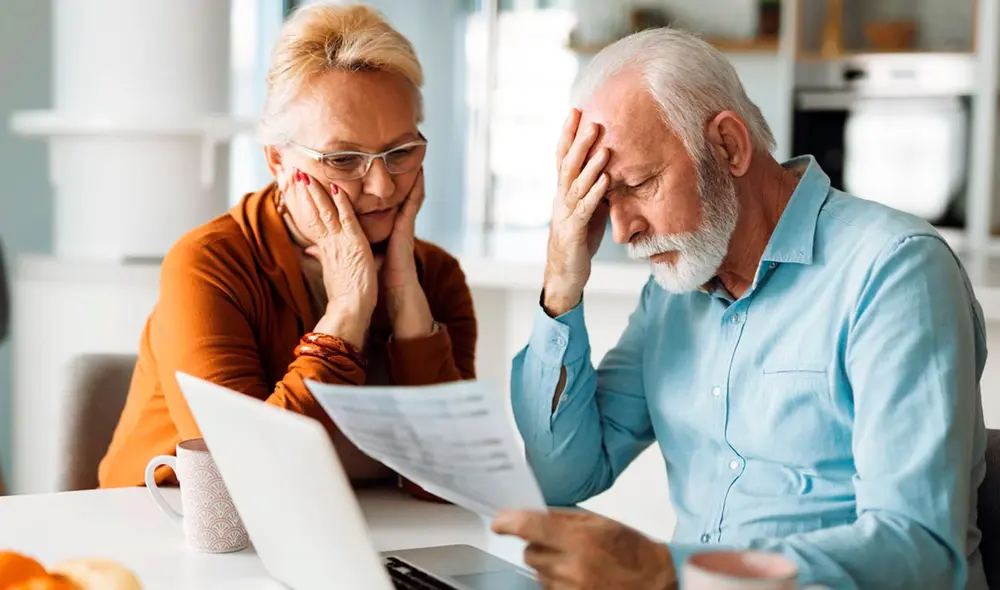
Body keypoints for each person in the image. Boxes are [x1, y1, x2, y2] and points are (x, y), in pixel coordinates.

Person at [492, 27, 988, 590]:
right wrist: (561, 276)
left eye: (640, 184)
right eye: (606, 200)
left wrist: (666, 570)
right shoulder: (673, 294)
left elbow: (918, 547)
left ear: (728, 145)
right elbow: (562, 475)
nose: (624, 231)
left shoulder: (893, 271)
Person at [98, 4, 477, 498]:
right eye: (344, 159)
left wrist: (405, 300)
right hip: (172, 533)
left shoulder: (437, 276)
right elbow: (242, 478)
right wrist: (347, 310)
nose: (383, 186)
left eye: (401, 152)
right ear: (277, 160)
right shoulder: (209, 264)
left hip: (362, 537)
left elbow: (450, 482)